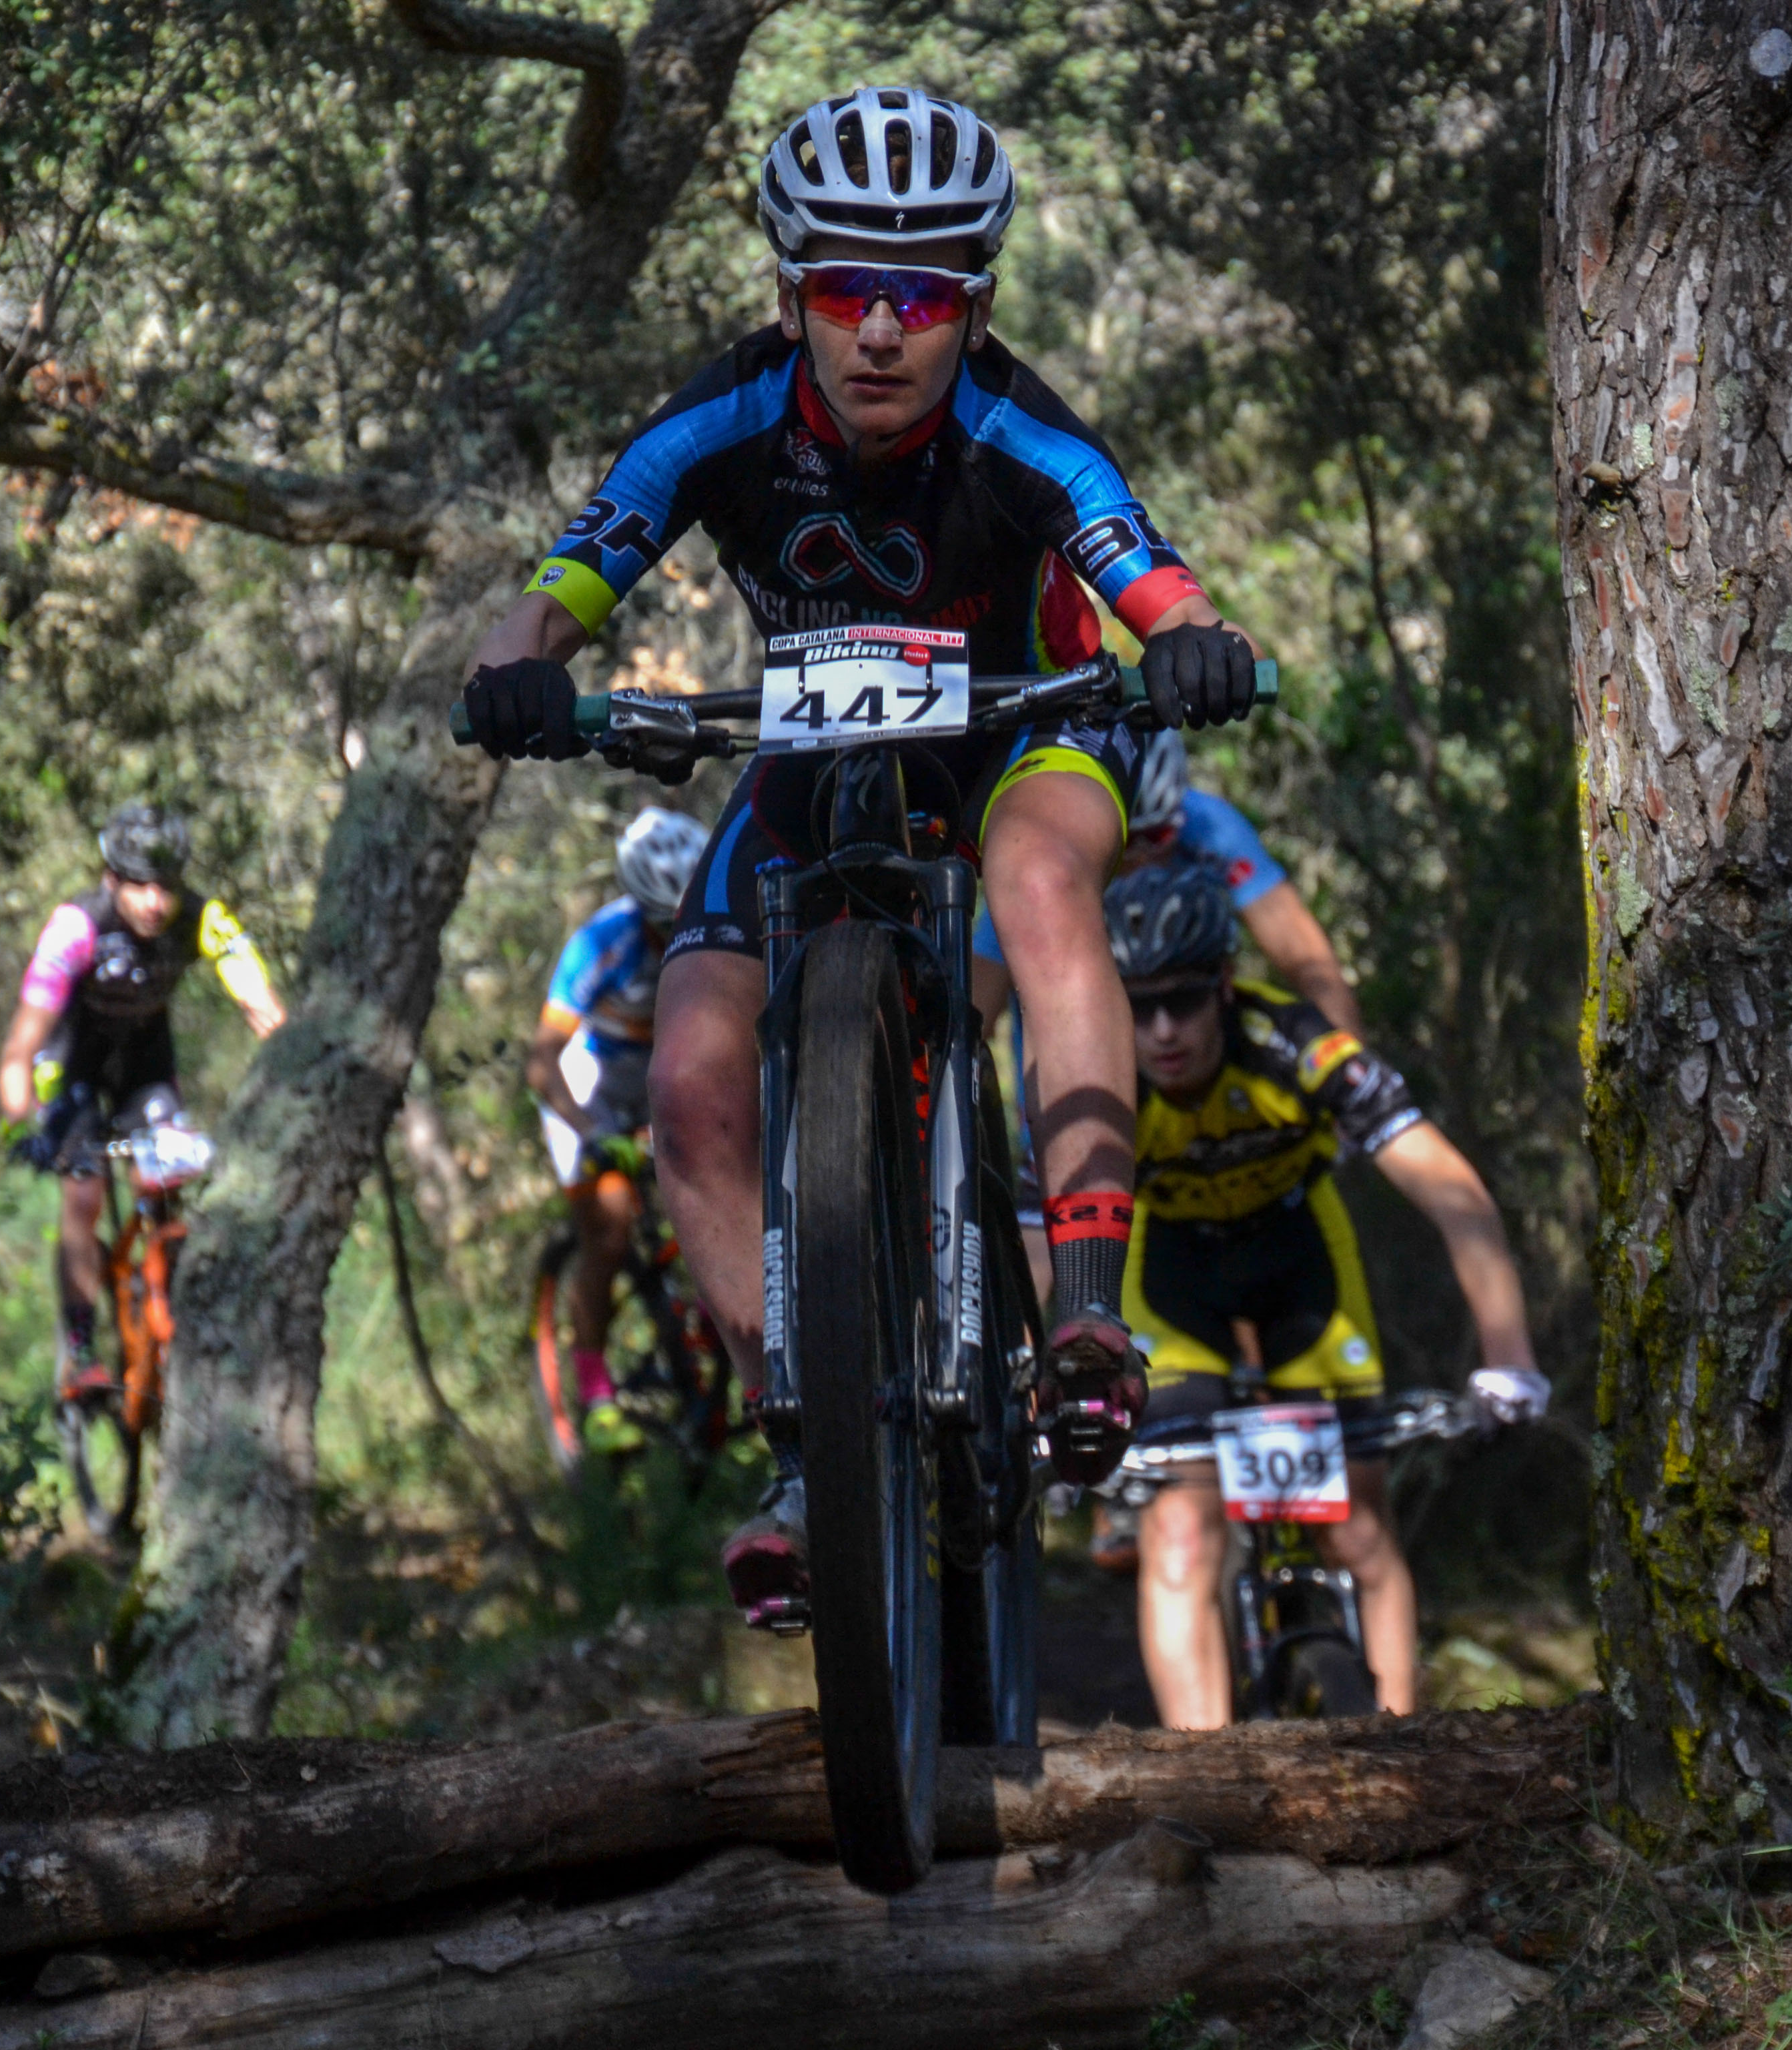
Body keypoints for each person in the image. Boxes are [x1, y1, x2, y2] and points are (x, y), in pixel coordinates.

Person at [455, 85, 1263, 1627]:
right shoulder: (726, 414)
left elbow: (1154, 578)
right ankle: (805, 1435)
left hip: (1025, 732)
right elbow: (574, 565)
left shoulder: (1018, 427)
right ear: (787, 296)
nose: (881, 332)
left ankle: (1086, 1310)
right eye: (844, 291)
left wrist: (1202, 647)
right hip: (818, 749)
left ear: (976, 307)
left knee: (1036, 881)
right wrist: (518, 664)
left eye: (924, 298)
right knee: (691, 1075)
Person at [1099, 862, 1550, 1726]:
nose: (1161, 1031)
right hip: (1170, 1277)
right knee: (1182, 1533)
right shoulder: (1103, 1074)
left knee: (1355, 1528)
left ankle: (1400, 1753)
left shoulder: (1296, 1045)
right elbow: (1044, 1240)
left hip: (1298, 1259)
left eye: (1184, 1001)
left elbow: (1453, 1192)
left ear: (1226, 986)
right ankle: (1203, 1782)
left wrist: (1510, 1357)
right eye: (1137, 1003)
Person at [0, 805, 288, 1402]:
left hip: (144, 1062)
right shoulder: (75, 927)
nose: (156, 902)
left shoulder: (204, 918)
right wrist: (18, 1124)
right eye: (140, 887)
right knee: (84, 1191)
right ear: (111, 878)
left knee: (169, 1177)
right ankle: (79, 1354)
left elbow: (265, 1009)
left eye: (168, 888)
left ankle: (170, 1318)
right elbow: (19, 1050)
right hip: (71, 1055)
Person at [528, 806, 711, 1454]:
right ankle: (594, 1384)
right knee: (607, 1222)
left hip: (660, 1075)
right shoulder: (602, 944)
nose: (680, 935)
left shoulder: (719, 918)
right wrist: (591, 1130)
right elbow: (542, 1060)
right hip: (588, 1083)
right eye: (669, 926)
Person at [974, 729, 1359, 1035]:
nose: (1141, 862)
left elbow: (1311, 968)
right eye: (1124, 846)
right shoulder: (1050, 856)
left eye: (1155, 839)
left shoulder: (1207, 825)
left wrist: (1351, 1090)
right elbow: (977, 1011)